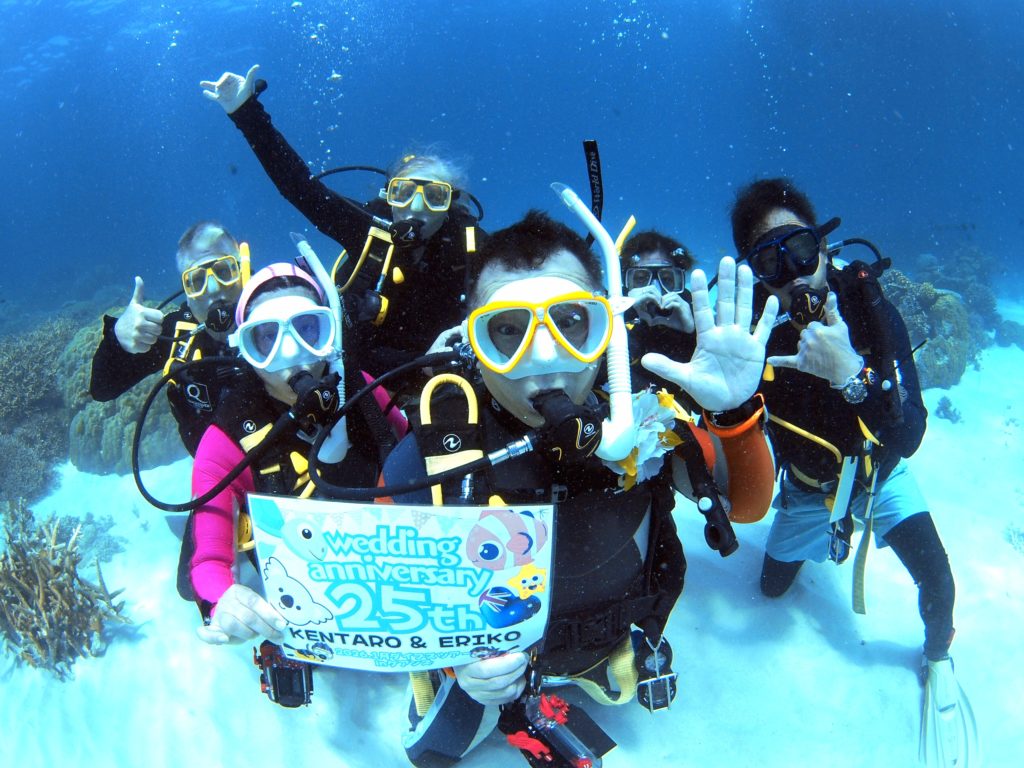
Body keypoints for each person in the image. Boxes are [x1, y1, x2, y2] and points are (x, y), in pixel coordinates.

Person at [381, 211, 778, 766]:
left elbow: (747, 505)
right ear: (473, 341)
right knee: (431, 755)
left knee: (618, 689)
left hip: (603, 641)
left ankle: (589, 670)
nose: (545, 358)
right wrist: (455, 660)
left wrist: (733, 414)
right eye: (507, 331)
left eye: (571, 322)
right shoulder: (439, 452)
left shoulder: (645, 421)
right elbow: (389, 583)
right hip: (489, 666)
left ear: (606, 328)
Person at [730, 177, 973, 763]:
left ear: (823, 247)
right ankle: (827, 538)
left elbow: (909, 436)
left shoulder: (868, 306)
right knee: (770, 590)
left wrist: (851, 376)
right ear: (755, 274)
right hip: (807, 489)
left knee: (939, 582)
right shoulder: (748, 332)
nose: (793, 275)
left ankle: (937, 657)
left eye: (800, 250)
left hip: (878, 475)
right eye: (769, 261)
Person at [200, 65, 484, 382]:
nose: (416, 207)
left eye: (434, 196)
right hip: (366, 381)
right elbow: (299, 188)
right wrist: (247, 113)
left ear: (450, 203)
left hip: (451, 375)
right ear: (389, 197)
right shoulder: (368, 230)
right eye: (403, 193)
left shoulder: (471, 246)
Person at [186, 262, 394, 642]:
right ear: (246, 349)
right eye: (267, 337)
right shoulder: (226, 440)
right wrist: (223, 602)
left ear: (330, 332)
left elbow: (418, 458)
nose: (292, 352)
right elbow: (209, 562)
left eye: (308, 328)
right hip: (303, 598)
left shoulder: (362, 391)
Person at [89, 221, 252, 455]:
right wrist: (117, 340)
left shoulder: (280, 313)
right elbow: (102, 388)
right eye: (197, 281)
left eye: (224, 271)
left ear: (243, 269)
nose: (214, 289)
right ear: (186, 291)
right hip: (217, 474)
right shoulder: (178, 335)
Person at [620, 230, 697, 395]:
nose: (654, 289)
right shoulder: (614, 313)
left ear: (680, 281)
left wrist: (692, 334)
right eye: (641, 278)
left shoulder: (692, 316)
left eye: (667, 279)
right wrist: (621, 318)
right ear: (626, 282)